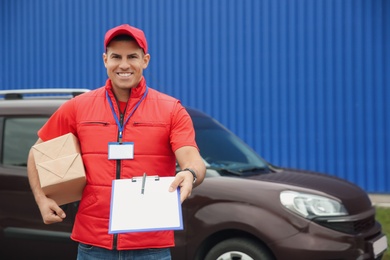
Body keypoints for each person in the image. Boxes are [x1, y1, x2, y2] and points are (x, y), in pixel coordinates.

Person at [27, 24, 206, 260]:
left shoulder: (171, 110)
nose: (123, 65)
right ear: (105, 60)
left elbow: (193, 159)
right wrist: (41, 199)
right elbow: (35, 153)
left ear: (145, 60)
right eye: (116, 57)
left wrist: (190, 174)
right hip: (93, 247)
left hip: (150, 248)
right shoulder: (78, 107)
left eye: (132, 56)